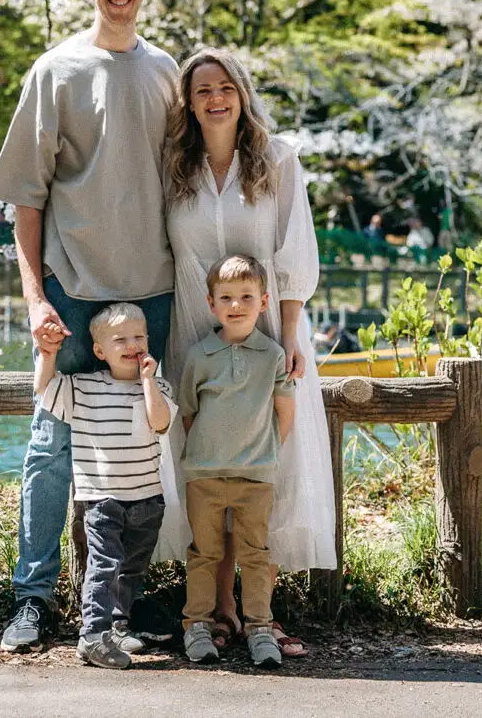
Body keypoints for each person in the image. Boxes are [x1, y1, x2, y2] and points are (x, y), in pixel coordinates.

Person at [0, 0, 179, 654]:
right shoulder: (56, 70)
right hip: (74, 291)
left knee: (147, 446)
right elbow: (25, 203)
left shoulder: (166, 73)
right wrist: (36, 297)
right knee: (52, 446)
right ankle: (32, 598)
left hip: (153, 291)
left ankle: (122, 603)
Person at [158, 46, 336, 657]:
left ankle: (260, 611)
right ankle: (217, 609)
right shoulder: (172, 164)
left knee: (266, 466)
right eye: (202, 89)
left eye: (225, 86)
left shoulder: (278, 159)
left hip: (267, 334)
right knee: (208, 466)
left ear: (242, 92)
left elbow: (293, 251)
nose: (215, 98)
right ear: (187, 101)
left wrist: (287, 334)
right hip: (192, 329)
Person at [33, 303, 174, 670]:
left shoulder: (158, 386)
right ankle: (93, 635)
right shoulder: (84, 387)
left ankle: (117, 624)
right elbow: (44, 391)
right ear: (99, 351)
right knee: (104, 566)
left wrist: (147, 382)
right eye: (121, 339)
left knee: (132, 569)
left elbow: (160, 423)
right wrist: (48, 355)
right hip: (102, 499)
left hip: (147, 498)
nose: (133, 345)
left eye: (139, 337)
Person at [178, 255, 294, 669]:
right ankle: (197, 625)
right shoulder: (199, 355)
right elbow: (189, 412)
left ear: (263, 302)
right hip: (204, 475)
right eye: (226, 297)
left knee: (255, 554)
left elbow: (284, 412)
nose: (236, 305)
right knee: (204, 552)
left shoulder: (273, 355)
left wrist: (262, 451)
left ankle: (259, 628)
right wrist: (208, 451)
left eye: (246, 296)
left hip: (256, 475)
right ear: (211, 304)